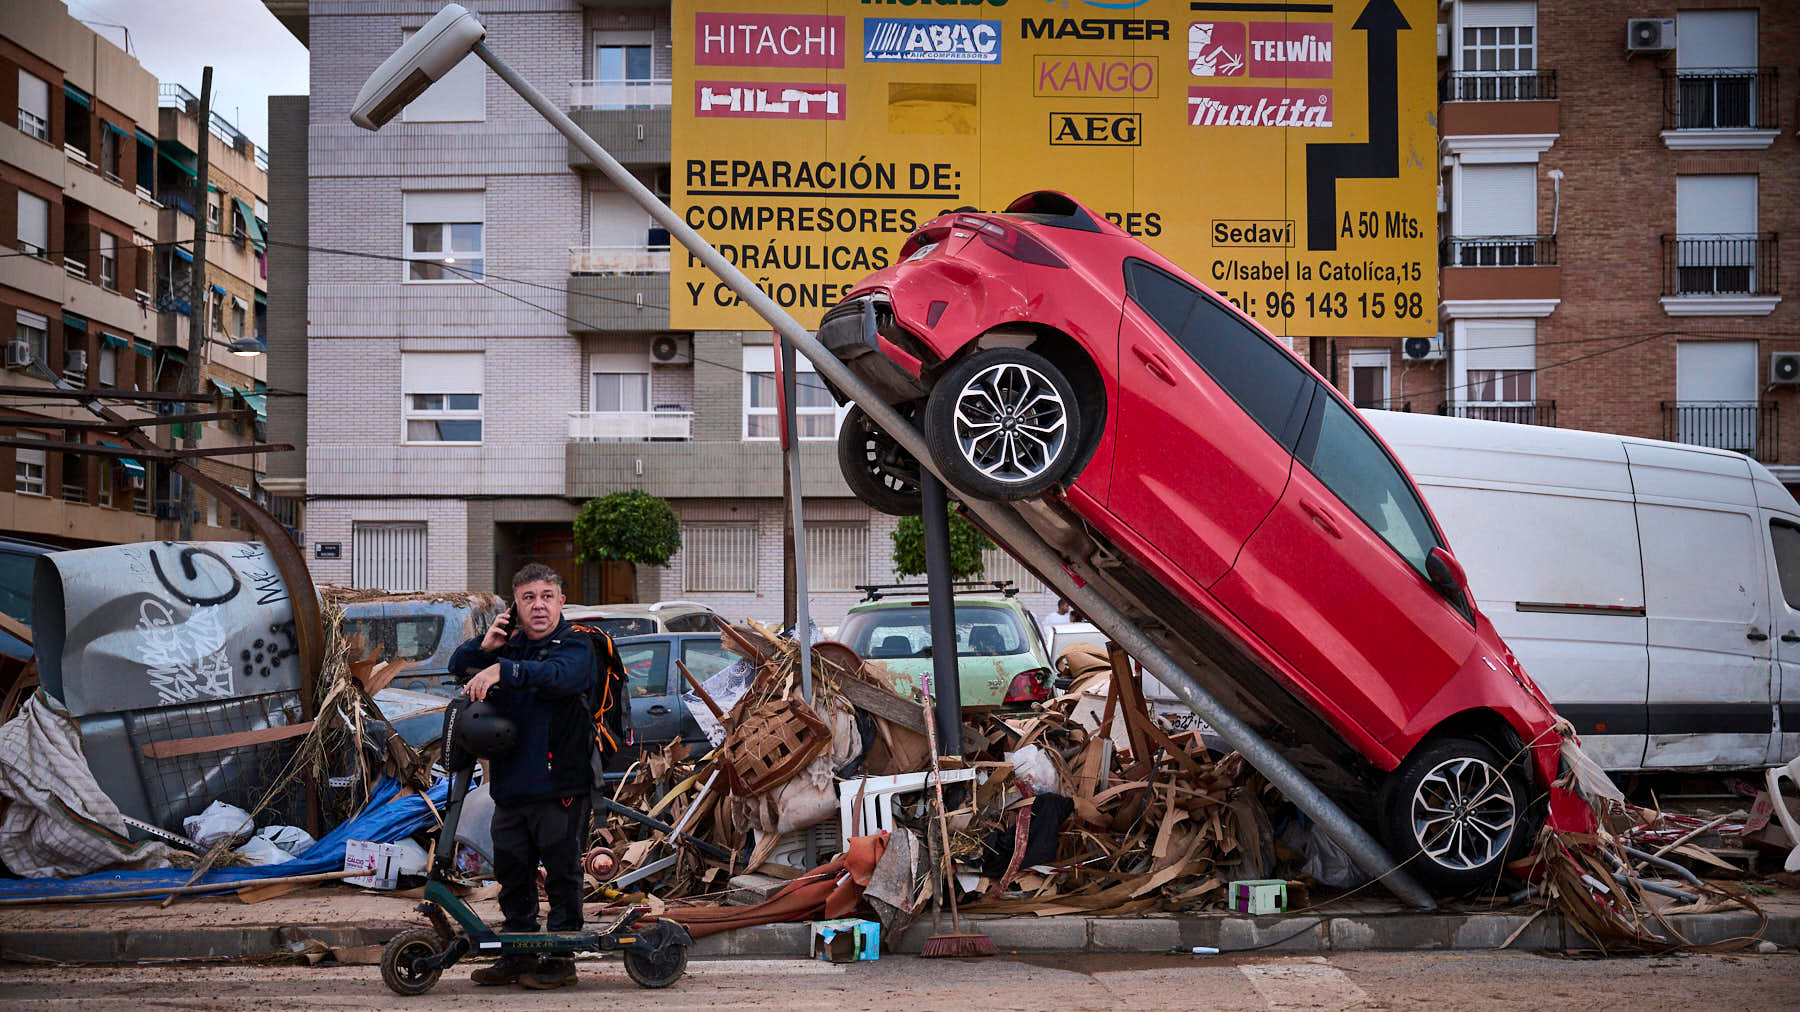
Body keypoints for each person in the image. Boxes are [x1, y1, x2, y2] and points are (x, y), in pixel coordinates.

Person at [448, 564, 595, 990]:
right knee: (512, 872)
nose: (539, 605)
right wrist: (486, 646)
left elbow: (560, 677)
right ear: (516, 605)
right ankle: (518, 954)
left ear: (561, 601)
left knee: (563, 873)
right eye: (528, 597)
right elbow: (461, 666)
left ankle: (560, 959)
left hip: (560, 786)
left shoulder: (576, 646)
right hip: (510, 786)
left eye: (547, 596)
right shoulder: (509, 648)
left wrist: (504, 669)